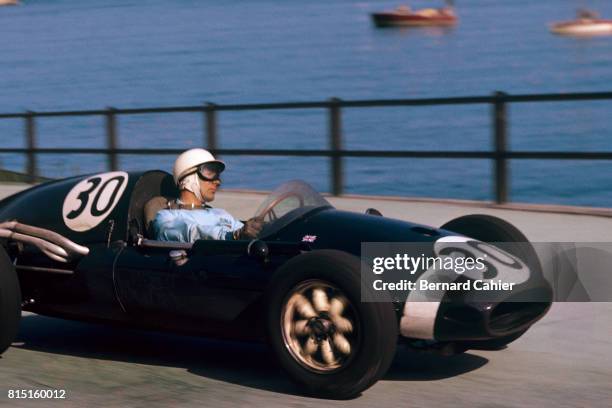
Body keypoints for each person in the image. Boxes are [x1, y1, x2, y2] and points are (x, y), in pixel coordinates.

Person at [151, 148, 263, 242]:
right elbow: (192, 231)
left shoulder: (220, 213)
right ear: (188, 178)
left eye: (217, 175)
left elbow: (249, 232)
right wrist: (234, 235)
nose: (217, 181)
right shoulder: (167, 217)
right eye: (209, 173)